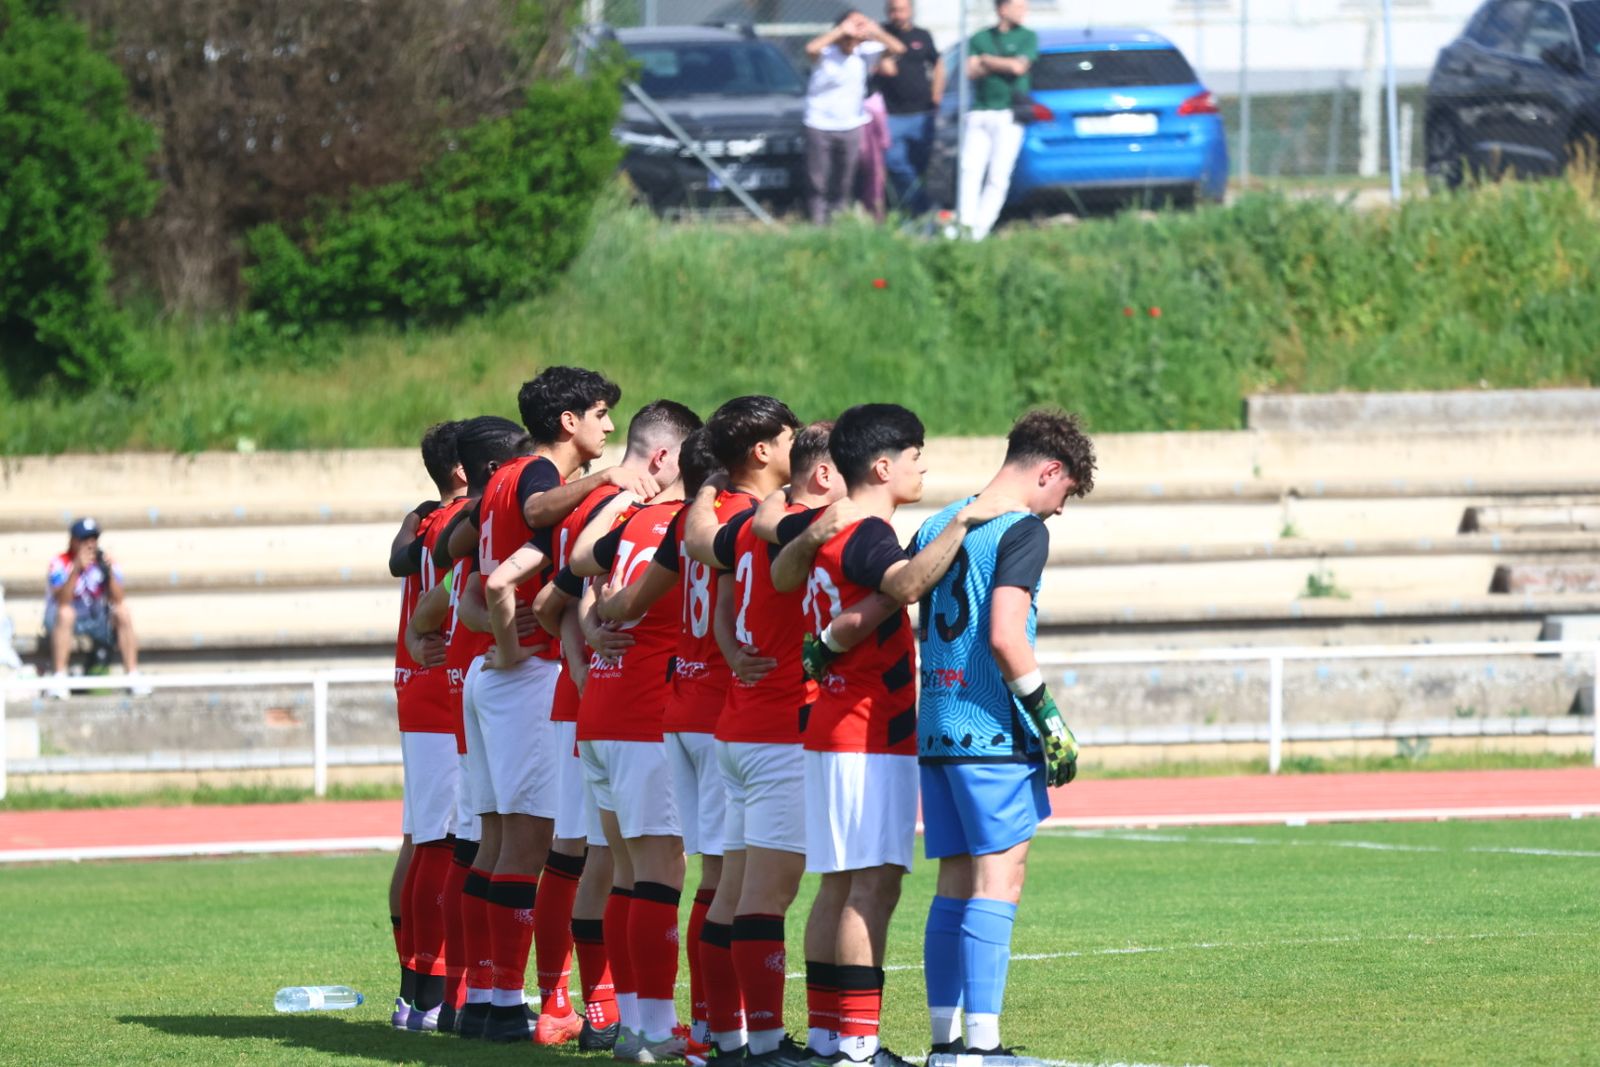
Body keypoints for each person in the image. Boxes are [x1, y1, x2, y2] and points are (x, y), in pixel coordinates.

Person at [759, 405, 1023, 1067]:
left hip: (833, 724)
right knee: (870, 887)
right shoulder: (871, 529)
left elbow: (785, 573)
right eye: (916, 453)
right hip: (864, 729)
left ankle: (828, 1039)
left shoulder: (836, 528)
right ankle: (854, 1045)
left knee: (840, 883)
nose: (923, 465)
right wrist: (962, 521)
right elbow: (904, 581)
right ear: (883, 465)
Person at [911, 410, 1093, 1063]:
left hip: (935, 723)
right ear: (1048, 471)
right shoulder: (1021, 528)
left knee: (954, 880)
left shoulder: (937, 523)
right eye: (1065, 492)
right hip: (990, 729)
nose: (1060, 509)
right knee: (999, 878)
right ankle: (983, 1046)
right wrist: (1050, 719)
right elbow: (1006, 634)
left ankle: (945, 1042)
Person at [699, 422, 856, 1067]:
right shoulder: (804, 530)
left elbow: (710, 559)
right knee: (768, 896)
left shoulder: (751, 520)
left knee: (732, 891)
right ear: (824, 476)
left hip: (738, 728)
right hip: (778, 732)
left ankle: (727, 1036)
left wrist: (734, 648)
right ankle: (763, 1044)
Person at [568, 425, 709, 1063]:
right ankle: (653, 1027)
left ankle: (632, 1025)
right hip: (646, 712)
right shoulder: (688, 526)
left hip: (601, 710)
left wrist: (594, 618)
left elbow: (574, 566)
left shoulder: (634, 518)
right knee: (659, 873)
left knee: (626, 875)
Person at [388, 420, 469, 1033]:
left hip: (417, 684)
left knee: (422, 840)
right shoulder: (455, 524)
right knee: (442, 842)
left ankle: (416, 992)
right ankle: (435, 992)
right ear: (464, 472)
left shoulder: (423, 523)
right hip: (442, 687)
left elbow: (397, 562)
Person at [803, 12, 905, 225]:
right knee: (818, 179)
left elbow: (898, 49)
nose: (853, 41)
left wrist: (876, 32)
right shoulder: (826, 51)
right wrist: (841, 30)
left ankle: (838, 219)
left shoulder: (864, 54)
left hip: (851, 125)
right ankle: (817, 222)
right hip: (819, 123)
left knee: (845, 179)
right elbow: (810, 49)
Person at [959, 0, 1037, 241]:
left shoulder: (1027, 37)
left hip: (1008, 114)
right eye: (1019, 6)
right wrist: (997, 63)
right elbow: (971, 71)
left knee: (998, 175)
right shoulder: (980, 37)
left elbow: (1018, 68)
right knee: (970, 170)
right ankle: (965, 227)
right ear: (1002, 9)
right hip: (979, 112)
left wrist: (987, 61)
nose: (1024, 11)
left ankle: (981, 230)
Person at [43, 517, 146, 698]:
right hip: (65, 620)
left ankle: (132, 675)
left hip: (96, 618)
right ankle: (59, 678)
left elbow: (119, 598)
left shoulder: (105, 561)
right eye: (84, 539)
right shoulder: (59, 562)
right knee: (66, 613)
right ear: (73, 540)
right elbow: (62, 600)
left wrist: (109, 574)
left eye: (93, 539)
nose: (90, 544)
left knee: (123, 612)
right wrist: (75, 569)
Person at [874, 0, 945, 215]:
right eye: (893, 10)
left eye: (902, 9)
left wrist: (936, 95)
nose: (898, 14)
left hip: (922, 112)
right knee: (894, 162)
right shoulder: (881, 34)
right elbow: (884, 65)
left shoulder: (923, 35)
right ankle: (922, 208)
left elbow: (938, 63)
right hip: (892, 114)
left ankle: (912, 212)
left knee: (919, 166)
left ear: (911, 11)